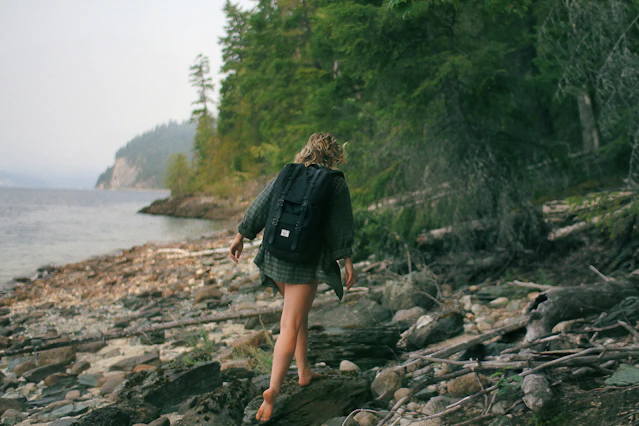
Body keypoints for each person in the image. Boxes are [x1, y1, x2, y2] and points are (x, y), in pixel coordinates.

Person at [228, 133, 356, 422]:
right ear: (333, 155)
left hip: (276, 255)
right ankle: (272, 391)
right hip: (304, 260)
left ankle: (303, 372)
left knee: (298, 316)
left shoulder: (288, 173)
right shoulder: (334, 182)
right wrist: (347, 260)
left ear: (306, 151)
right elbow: (341, 224)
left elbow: (261, 205)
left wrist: (241, 236)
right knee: (291, 322)